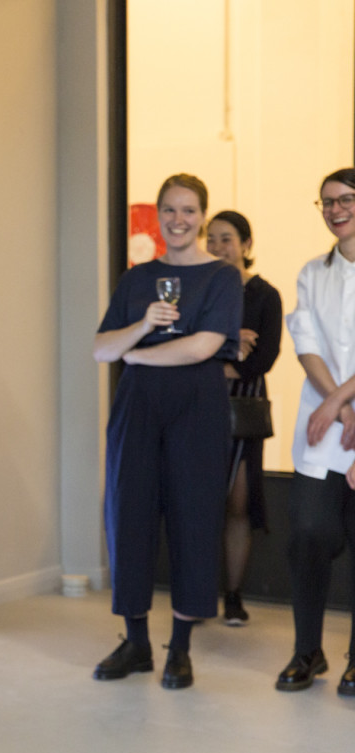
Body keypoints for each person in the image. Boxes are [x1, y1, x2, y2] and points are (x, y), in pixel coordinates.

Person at [92, 174, 242, 690]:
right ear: (158, 216)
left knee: (193, 520)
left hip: (196, 406)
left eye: (189, 210)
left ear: (202, 217)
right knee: (128, 515)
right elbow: (101, 348)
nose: (179, 220)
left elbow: (203, 347)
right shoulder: (137, 278)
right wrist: (141, 327)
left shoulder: (221, 276)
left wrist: (136, 355)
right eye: (170, 210)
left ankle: (179, 648)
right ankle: (135, 642)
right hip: (137, 407)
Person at [276, 167, 355, 696]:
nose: (335, 209)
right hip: (326, 427)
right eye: (326, 202)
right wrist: (340, 407)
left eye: (345, 199)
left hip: (333, 410)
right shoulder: (312, 272)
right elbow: (306, 344)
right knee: (307, 533)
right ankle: (308, 650)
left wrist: (338, 400)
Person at [205, 211, 282, 625]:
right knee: (198, 503)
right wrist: (233, 342)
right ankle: (197, 594)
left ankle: (233, 596)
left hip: (242, 409)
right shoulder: (200, 288)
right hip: (199, 404)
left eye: (227, 238)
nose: (218, 246)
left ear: (246, 244)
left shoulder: (265, 295)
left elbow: (264, 356)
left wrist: (216, 363)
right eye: (211, 238)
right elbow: (186, 343)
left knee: (237, 504)